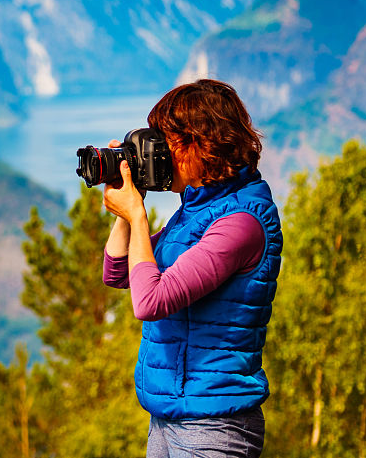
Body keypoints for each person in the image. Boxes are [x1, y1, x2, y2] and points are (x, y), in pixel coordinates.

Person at [101, 79, 282, 458]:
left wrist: (136, 214)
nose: (160, 153)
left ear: (202, 143)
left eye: (168, 142)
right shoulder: (194, 211)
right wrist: (129, 201)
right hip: (168, 418)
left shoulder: (240, 222)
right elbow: (119, 273)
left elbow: (149, 302)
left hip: (214, 427)